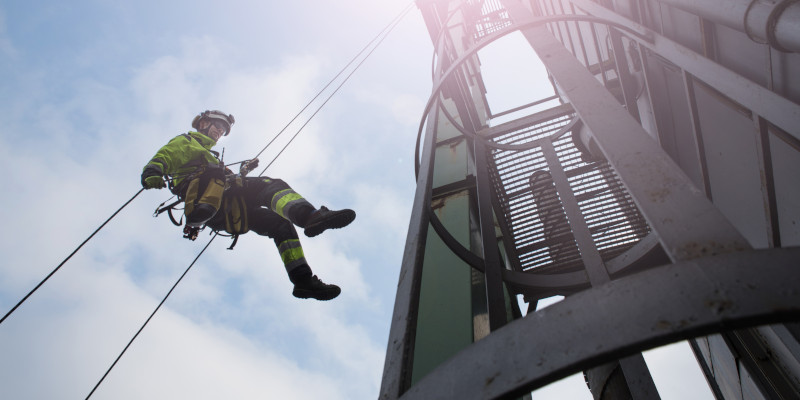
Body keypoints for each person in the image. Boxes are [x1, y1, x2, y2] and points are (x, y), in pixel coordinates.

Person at [140, 110, 355, 301]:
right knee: (271, 186)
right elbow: (167, 155)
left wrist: (242, 172)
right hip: (209, 198)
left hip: (222, 208)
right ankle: (309, 216)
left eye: (223, 130)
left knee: (280, 226)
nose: (219, 132)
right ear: (204, 123)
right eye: (218, 126)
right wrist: (153, 171)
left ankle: (303, 280)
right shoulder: (188, 142)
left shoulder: (210, 157)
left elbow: (224, 182)